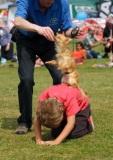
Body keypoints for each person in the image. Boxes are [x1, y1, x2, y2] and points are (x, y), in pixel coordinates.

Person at [14, 0, 80, 134]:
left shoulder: (62, 3)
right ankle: (24, 121)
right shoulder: (26, 1)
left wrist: (73, 32)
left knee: (60, 77)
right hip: (26, 41)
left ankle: (58, 116)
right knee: (26, 80)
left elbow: (66, 29)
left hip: (48, 42)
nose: (50, 2)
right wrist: (38, 28)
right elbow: (18, 21)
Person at [34, 70, 94, 145]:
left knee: (73, 134)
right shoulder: (44, 96)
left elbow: (70, 123)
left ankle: (88, 125)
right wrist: (38, 138)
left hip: (81, 108)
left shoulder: (69, 98)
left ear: (61, 109)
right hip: (66, 105)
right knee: (55, 134)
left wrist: (56, 141)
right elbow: (37, 118)